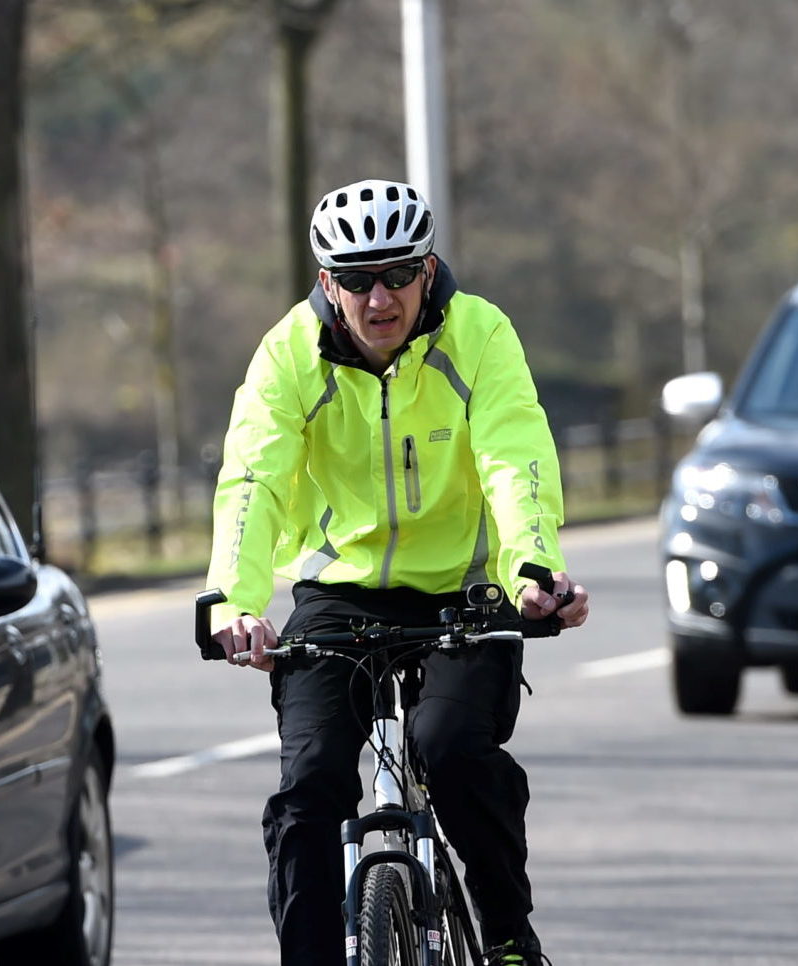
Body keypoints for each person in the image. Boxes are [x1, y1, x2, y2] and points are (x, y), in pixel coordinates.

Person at [205, 177, 589, 966]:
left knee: (450, 748)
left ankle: (510, 937)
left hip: (465, 592)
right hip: (337, 599)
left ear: (429, 267)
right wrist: (233, 604)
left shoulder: (479, 335)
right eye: (355, 280)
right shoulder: (289, 355)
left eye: (398, 274)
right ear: (327, 284)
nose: (379, 298)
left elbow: (514, 456)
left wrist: (533, 570)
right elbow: (254, 480)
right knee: (309, 787)